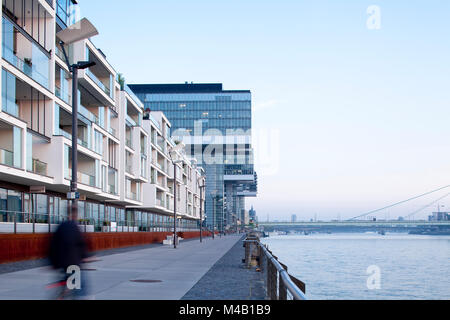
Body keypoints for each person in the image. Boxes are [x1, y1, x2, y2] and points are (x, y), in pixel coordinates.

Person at [48, 205, 90, 299]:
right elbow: (81, 244)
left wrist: (52, 263)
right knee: (80, 288)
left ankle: (61, 295)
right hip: (73, 263)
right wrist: (86, 257)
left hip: (62, 263)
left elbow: (52, 245)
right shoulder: (75, 227)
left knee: (69, 283)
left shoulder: (60, 226)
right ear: (75, 214)